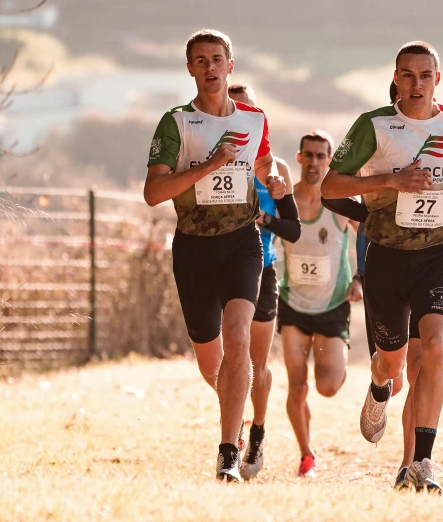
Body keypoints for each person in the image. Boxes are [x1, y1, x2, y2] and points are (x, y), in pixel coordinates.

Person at [321, 41, 443, 493]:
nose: (417, 83)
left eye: (425, 75)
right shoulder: (374, 126)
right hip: (386, 259)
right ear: (396, 78)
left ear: (438, 78)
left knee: (433, 352)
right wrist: (391, 180)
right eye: (408, 75)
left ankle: (422, 462)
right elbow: (330, 186)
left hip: (436, 256)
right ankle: (379, 389)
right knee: (394, 367)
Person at [143, 29, 287, 483]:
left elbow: (263, 162)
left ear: (230, 65)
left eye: (217, 59)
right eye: (200, 61)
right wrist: (208, 167)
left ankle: (228, 453)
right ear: (190, 69)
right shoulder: (176, 123)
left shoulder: (253, 119)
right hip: (193, 248)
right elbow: (153, 193)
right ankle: (235, 417)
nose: (210, 68)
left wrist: (276, 179)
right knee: (213, 365)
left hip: (243, 243)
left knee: (239, 338)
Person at [226, 83, 301, 480]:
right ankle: (232, 434)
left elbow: (294, 230)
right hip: (221, 266)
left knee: (257, 361)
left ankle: (255, 433)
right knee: (226, 361)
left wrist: (267, 216)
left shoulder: (277, 169)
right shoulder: (215, 159)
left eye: (249, 112)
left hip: (264, 268)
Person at [279, 130, 364, 478]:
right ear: (299, 159)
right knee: (297, 386)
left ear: (329, 162)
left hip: (332, 307)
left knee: (326, 386)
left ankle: (332, 362)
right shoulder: (286, 202)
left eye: (321, 157)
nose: (314, 163)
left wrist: (361, 278)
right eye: (308, 155)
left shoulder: (339, 204)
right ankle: (306, 456)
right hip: (292, 304)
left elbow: (369, 239)